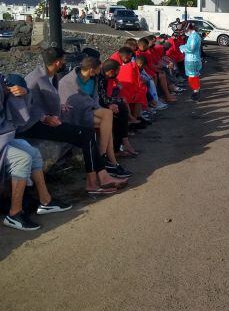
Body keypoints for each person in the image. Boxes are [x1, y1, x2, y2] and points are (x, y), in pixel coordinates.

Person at [17, 47, 127, 194]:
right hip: (34, 126)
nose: (65, 63)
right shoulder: (35, 78)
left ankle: (101, 177)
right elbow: (24, 106)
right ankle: (95, 182)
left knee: (88, 134)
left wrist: (60, 106)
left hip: (48, 120)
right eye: (63, 60)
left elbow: (43, 101)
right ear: (57, 62)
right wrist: (44, 117)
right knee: (87, 135)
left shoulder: (51, 75)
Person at [1, 73, 72, 231]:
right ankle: (14, 214)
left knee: (32, 152)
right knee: (22, 158)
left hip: (4, 137)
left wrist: (23, 91)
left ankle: (45, 201)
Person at [58, 56, 132, 179]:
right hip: (75, 115)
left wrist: (96, 106)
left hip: (89, 110)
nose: (100, 71)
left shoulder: (94, 79)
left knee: (107, 117)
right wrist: (95, 106)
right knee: (107, 117)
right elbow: (71, 102)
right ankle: (107, 160)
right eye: (98, 69)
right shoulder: (68, 81)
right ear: (91, 70)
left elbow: (95, 99)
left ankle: (106, 160)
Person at [179, 22, 202, 101]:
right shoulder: (194, 36)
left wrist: (182, 47)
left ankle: (196, 94)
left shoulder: (193, 36)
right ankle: (196, 92)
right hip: (193, 58)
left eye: (185, 30)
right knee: (194, 76)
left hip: (192, 59)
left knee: (192, 77)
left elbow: (191, 48)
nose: (185, 32)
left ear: (188, 29)